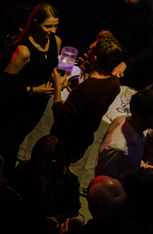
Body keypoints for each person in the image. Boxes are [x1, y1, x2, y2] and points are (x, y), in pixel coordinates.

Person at [49, 31, 124, 164]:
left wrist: (57, 87)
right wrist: (90, 69)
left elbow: (60, 118)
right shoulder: (114, 83)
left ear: (94, 58)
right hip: (82, 141)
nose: (87, 49)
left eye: (89, 49)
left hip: (64, 144)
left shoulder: (85, 90)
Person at [5, 3, 63, 160]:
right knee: (10, 141)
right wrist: (34, 90)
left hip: (38, 104)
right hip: (20, 103)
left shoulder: (55, 41)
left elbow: (49, 68)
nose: (53, 31)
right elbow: (5, 84)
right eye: (48, 26)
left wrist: (57, 80)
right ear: (36, 23)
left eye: (56, 26)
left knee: (19, 137)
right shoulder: (24, 50)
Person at [95, 88, 153, 182]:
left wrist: (140, 166)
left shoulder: (125, 121)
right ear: (140, 117)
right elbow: (104, 181)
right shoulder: (117, 148)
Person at [9, 135, 82, 228]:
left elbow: (73, 209)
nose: (44, 164)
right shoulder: (23, 169)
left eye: (50, 161)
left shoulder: (69, 181)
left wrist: (58, 219)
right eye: (40, 159)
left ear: (59, 161)